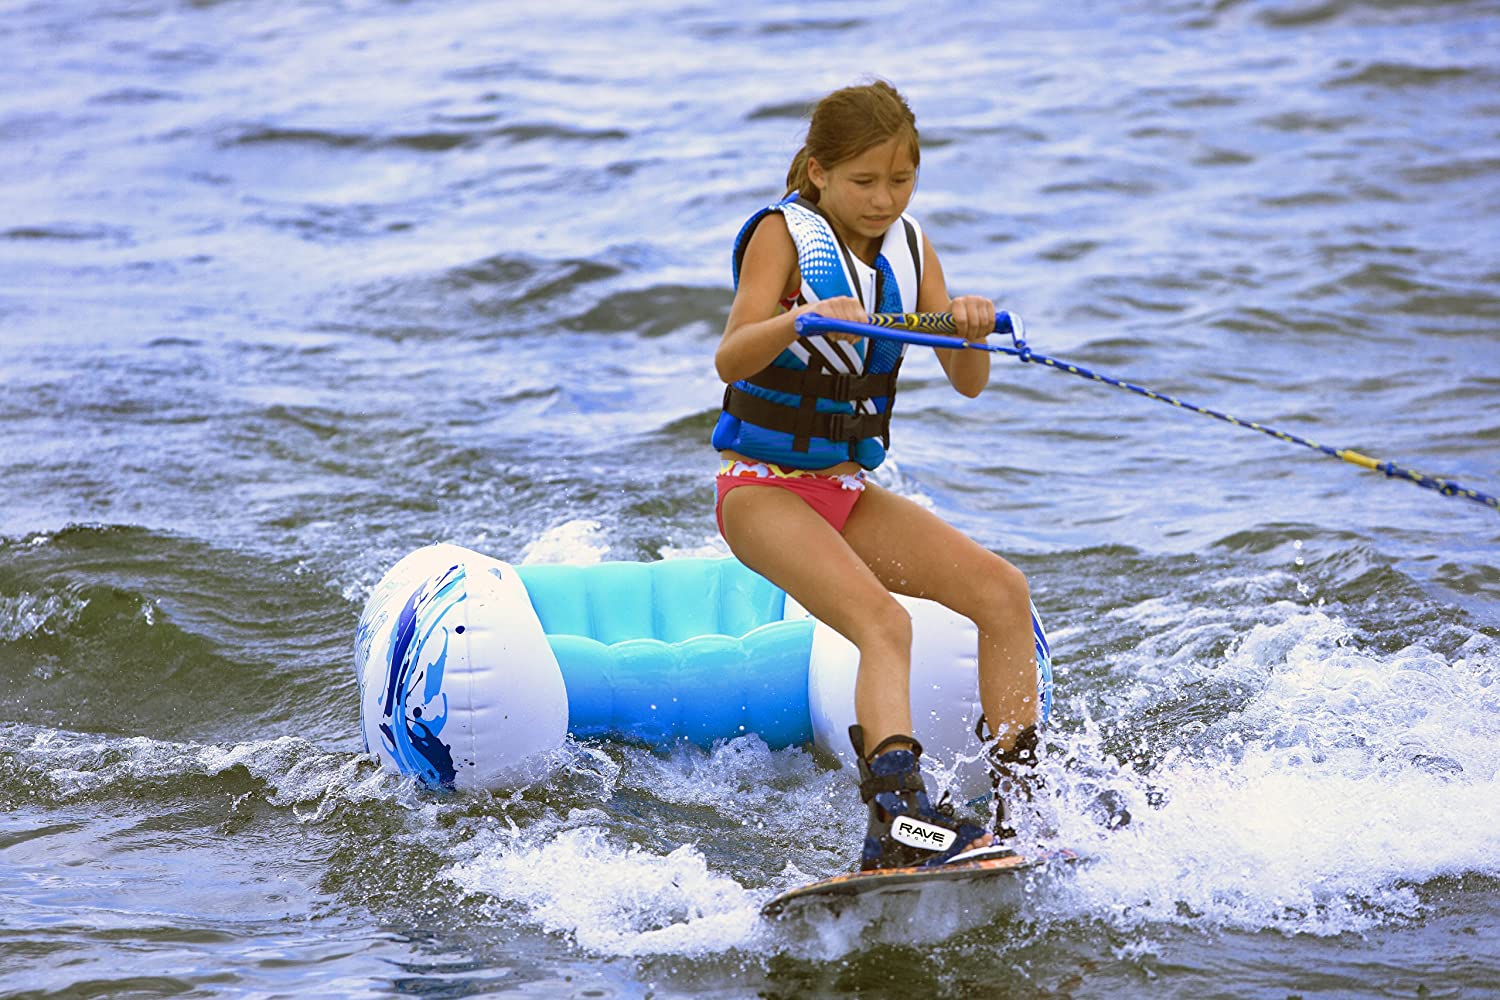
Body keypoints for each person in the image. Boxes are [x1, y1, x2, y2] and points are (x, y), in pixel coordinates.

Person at [711, 80, 1040, 871]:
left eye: (901, 180)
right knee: (884, 625)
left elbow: (968, 382)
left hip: (844, 491)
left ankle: (1027, 801)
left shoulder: (910, 248)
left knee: (1003, 593)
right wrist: (798, 318)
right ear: (819, 172)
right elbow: (730, 356)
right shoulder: (782, 236)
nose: (884, 199)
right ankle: (897, 822)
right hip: (761, 490)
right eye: (864, 181)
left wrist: (966, 326)